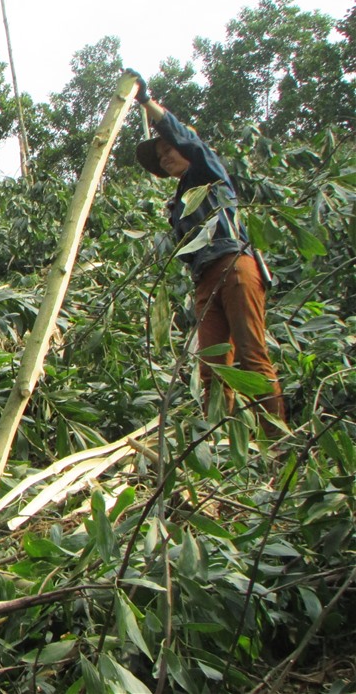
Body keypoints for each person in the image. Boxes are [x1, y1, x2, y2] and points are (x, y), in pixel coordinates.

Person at [128, 68, 286, 438]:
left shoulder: (208, 171)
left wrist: (147, 103)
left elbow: (186, 138)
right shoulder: (180, 200)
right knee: (212, 367)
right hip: (205, 279)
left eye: (170, 149)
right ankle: (218, 448)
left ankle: (279, 443)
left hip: (234, 266)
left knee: (250, 354)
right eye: (162, 155)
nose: (166, 157)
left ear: (186, 149)